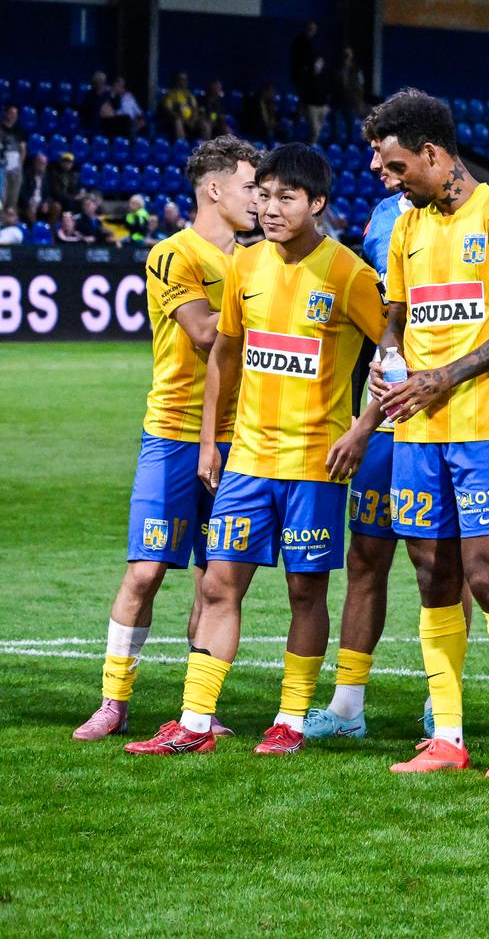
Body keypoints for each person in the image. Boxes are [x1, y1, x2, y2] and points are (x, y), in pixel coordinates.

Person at [123, 143, 387, 756]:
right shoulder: (244, 265)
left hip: (316, 463)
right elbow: (223, 353)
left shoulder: (346, 273)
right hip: (246, 460)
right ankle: (194, 724)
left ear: (317, 203)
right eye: (262, 195)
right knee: (219, 584)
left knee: (305, 592)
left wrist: (362, 427)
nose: (269, 208)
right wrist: (211, 438)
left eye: (285, 197)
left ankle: (290, 722)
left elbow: (394, 355)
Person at [371, 90, 489, 778]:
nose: (390, 178)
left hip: (483, 431)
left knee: (486, 575)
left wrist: (444, 376)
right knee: (431, 573)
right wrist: (389, 357)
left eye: (397, 166)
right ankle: (447, 737)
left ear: (433, 154)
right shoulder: (407, 228)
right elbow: (395, 312)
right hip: (416, 431)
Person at [72, 136, 260, 742]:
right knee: (147, 570)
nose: (259, 200)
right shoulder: (173, 254)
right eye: (250, 187)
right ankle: (114, 699)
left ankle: (195, 712)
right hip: (175, 434)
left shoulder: (261, 259)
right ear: (214, 189)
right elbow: (206, 333)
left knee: (217, 579)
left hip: (245, 439)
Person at [300, 131, 415, 742]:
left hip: (445, 414)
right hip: (383, 414)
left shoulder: (482, 214)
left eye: (384, 154)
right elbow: (384, 332)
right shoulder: (382, 218)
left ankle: (438, 703)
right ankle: (347, 705)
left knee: (441, 561)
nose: (373, 166)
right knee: (366, 554)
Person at [291, 21, 328, 140]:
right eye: (310, 28)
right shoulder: (300, 42)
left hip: (316, 102)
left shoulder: (321, 78)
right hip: (308, 99)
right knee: (308, 122)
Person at [158, 72, 203, 140]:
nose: (182, 82)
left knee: (205, 124)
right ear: (175, 80)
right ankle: (182, 145)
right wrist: (180, 117)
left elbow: (195, 109)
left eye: (184, 79)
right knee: (177, 120)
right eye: (180, 79)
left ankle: (206, 148)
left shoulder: (189, 94)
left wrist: (193, 119)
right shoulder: (170, 94)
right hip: (174, 121)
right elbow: (168, 110)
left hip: (189, 121)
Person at [1, 103, 23, 216]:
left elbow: (23, 148)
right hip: (2, 165)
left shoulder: (18, 130)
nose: (13, 116)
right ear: (6, 113)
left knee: (12, 198)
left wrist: (20, 165)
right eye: (11, 113)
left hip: (15, 167)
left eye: (15, 114)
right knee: (2, 196)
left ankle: (7, 220)